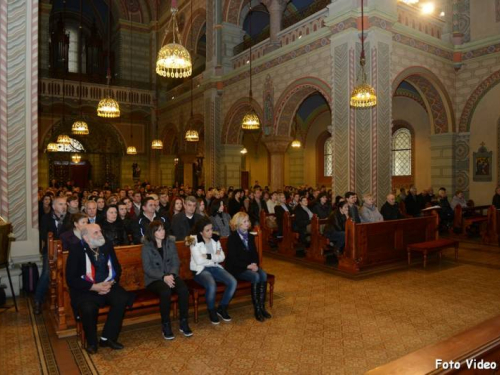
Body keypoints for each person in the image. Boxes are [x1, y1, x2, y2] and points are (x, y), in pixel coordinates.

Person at [66, 224, 133, 354]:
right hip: (86, 289)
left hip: (107, 285)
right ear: (85, 237)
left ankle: (107, 338)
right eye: (95, 233)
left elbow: (117, 268)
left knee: (122, 299)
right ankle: (92, 342)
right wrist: (94, 287)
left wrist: (111, 282)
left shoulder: (106, 246)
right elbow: (71, 279)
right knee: (88, 308)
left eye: (100, 231)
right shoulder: (76, 250)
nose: (100, 234)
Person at [141, 220, 192, 340]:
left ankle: (183, 321)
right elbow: (147, 268)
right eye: (158, 230)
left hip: (171, 275)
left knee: (183, 289)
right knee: (165, 291)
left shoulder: (169, 243)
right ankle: (166, 324)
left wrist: (172, 274)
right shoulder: (147, 247)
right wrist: (163, 277)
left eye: (163, 229)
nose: (162, 232)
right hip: (154, 279)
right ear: (153, 233)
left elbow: (176, 261)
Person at [187, 218, 237, 324]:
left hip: (215, 267)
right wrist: (215, 256)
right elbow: (199, 260)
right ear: (201, 232)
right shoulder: (192, 239)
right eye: (207, 230)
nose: (211, 232)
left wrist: (208, 256)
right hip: (200, 270)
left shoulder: (215, 238)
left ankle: (222, 307)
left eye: (211, 229)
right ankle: (211, 310)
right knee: (211, 284)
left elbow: (222, 257)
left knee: (233, 282)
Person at [225, 212, 271, 322]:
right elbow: (233, 259)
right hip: (237, 268)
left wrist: (255, 263)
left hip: (250, 266)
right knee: (255, 277)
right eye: (244, 221)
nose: (247, 223)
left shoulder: (250, 236)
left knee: (263, 274)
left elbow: (254, 253)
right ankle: (257, 310)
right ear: (238, 224)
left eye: (248, 221)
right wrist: (248, 266)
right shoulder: (232, 238)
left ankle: (262, 307)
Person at [34, 196, 71, 315]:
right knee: (46, 273)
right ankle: (38, 301)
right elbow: (43, 235)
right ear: (54, 207)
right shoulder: (46, 218)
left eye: (65, 204)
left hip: (66, 251)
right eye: (60, 204)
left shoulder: (69, 218)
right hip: (50, 251)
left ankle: (67, 301)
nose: (64, 206)